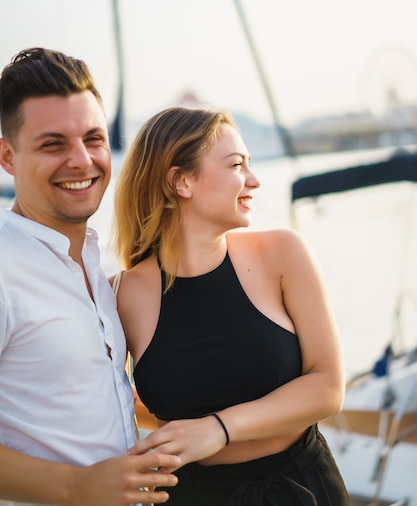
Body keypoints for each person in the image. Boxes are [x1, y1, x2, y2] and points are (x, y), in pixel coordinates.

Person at [112, 106, 351, 505]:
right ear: (181, 181)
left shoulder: (283, 254)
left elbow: (328, 386)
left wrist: (217, 429)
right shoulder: (120, 295)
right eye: (237, 165)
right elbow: (111, 405)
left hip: (303, 486)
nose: (253, 180)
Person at [0, 48, 180, 506]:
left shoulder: (94, 268)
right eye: (53, 144)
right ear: (8, 156)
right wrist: (77, 487)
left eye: (93, 139)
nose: (81, 160)